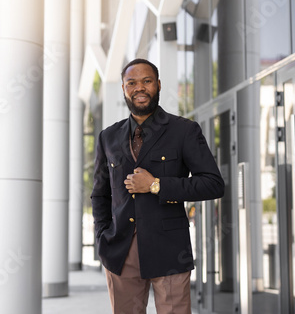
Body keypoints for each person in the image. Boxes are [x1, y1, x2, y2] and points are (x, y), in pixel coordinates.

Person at [91, 58, 225, 314]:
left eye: (146, 81)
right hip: (120, 251)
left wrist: (155, 185)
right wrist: (102, 237)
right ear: (123, 88)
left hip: (169, 250)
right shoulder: (108, 136)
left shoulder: (184, 131)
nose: (139, 88)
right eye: (132, 83)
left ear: (158, 85)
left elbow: (213, 184)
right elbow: (100, 194)